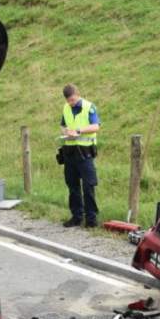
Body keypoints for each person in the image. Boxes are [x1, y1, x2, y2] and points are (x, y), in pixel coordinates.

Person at [58, 83, 100, 227]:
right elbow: (63, 125)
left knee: (89, 186)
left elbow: (96, 126)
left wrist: (78, 131)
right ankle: (76, 216)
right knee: (72, 186)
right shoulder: (65, 108)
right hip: (70, 153)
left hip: (85, 154)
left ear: (78, 94)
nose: (71, 103)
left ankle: (91, 219)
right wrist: (66, 132)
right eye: (68, 100)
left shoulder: (89, 107)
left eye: (73, 100)